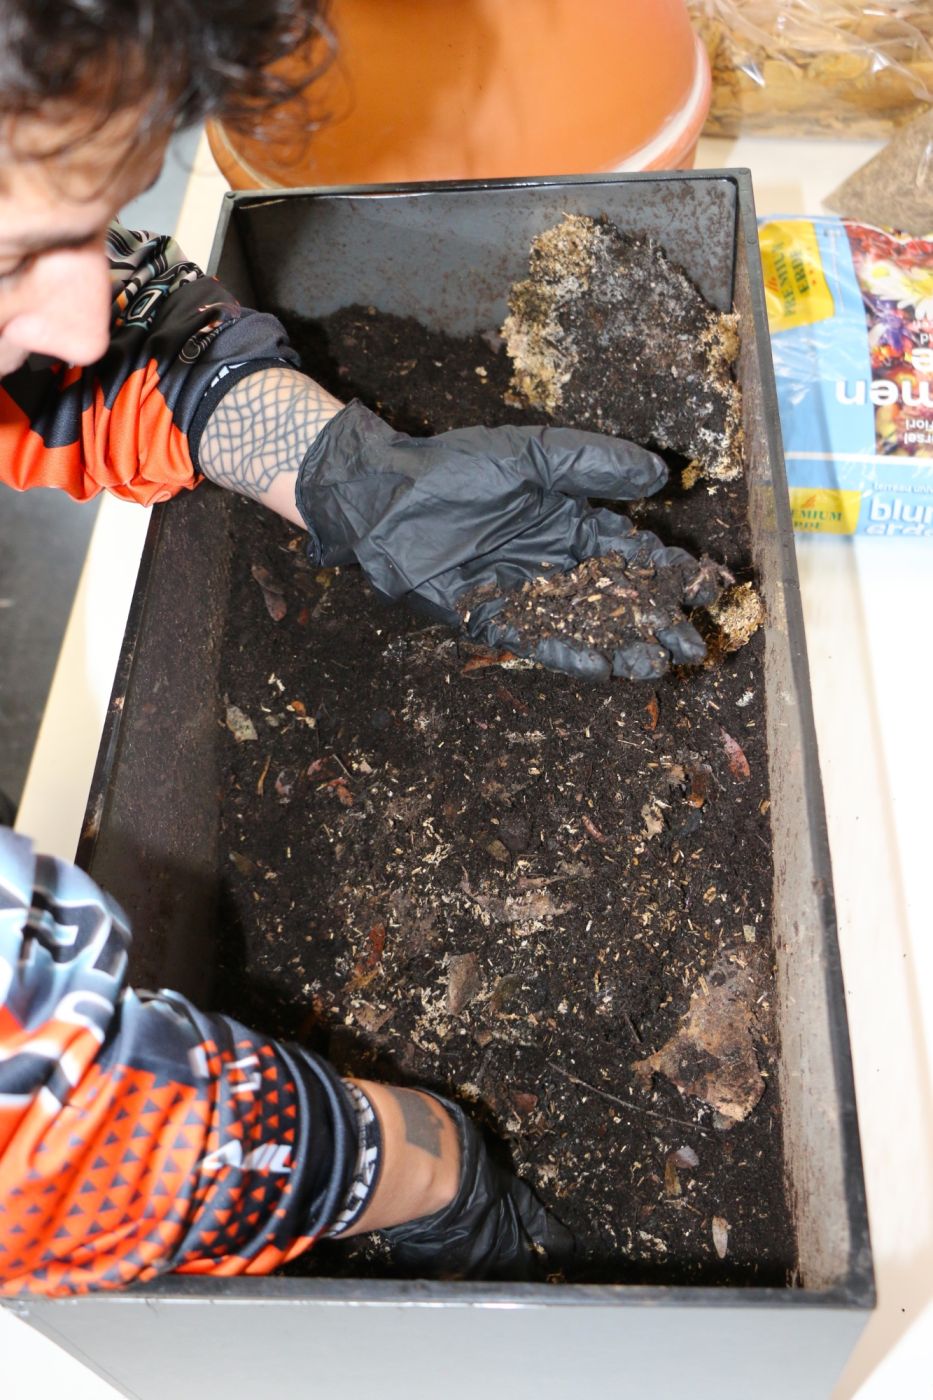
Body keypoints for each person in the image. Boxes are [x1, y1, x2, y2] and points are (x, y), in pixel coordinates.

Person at [0, 0, 714, 1296]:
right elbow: (50, 1137)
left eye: (87, 224)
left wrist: (339, 471)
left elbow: (117, 348)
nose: (80, 313)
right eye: (11, 263)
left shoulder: (62, 307)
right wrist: (416, 1164)